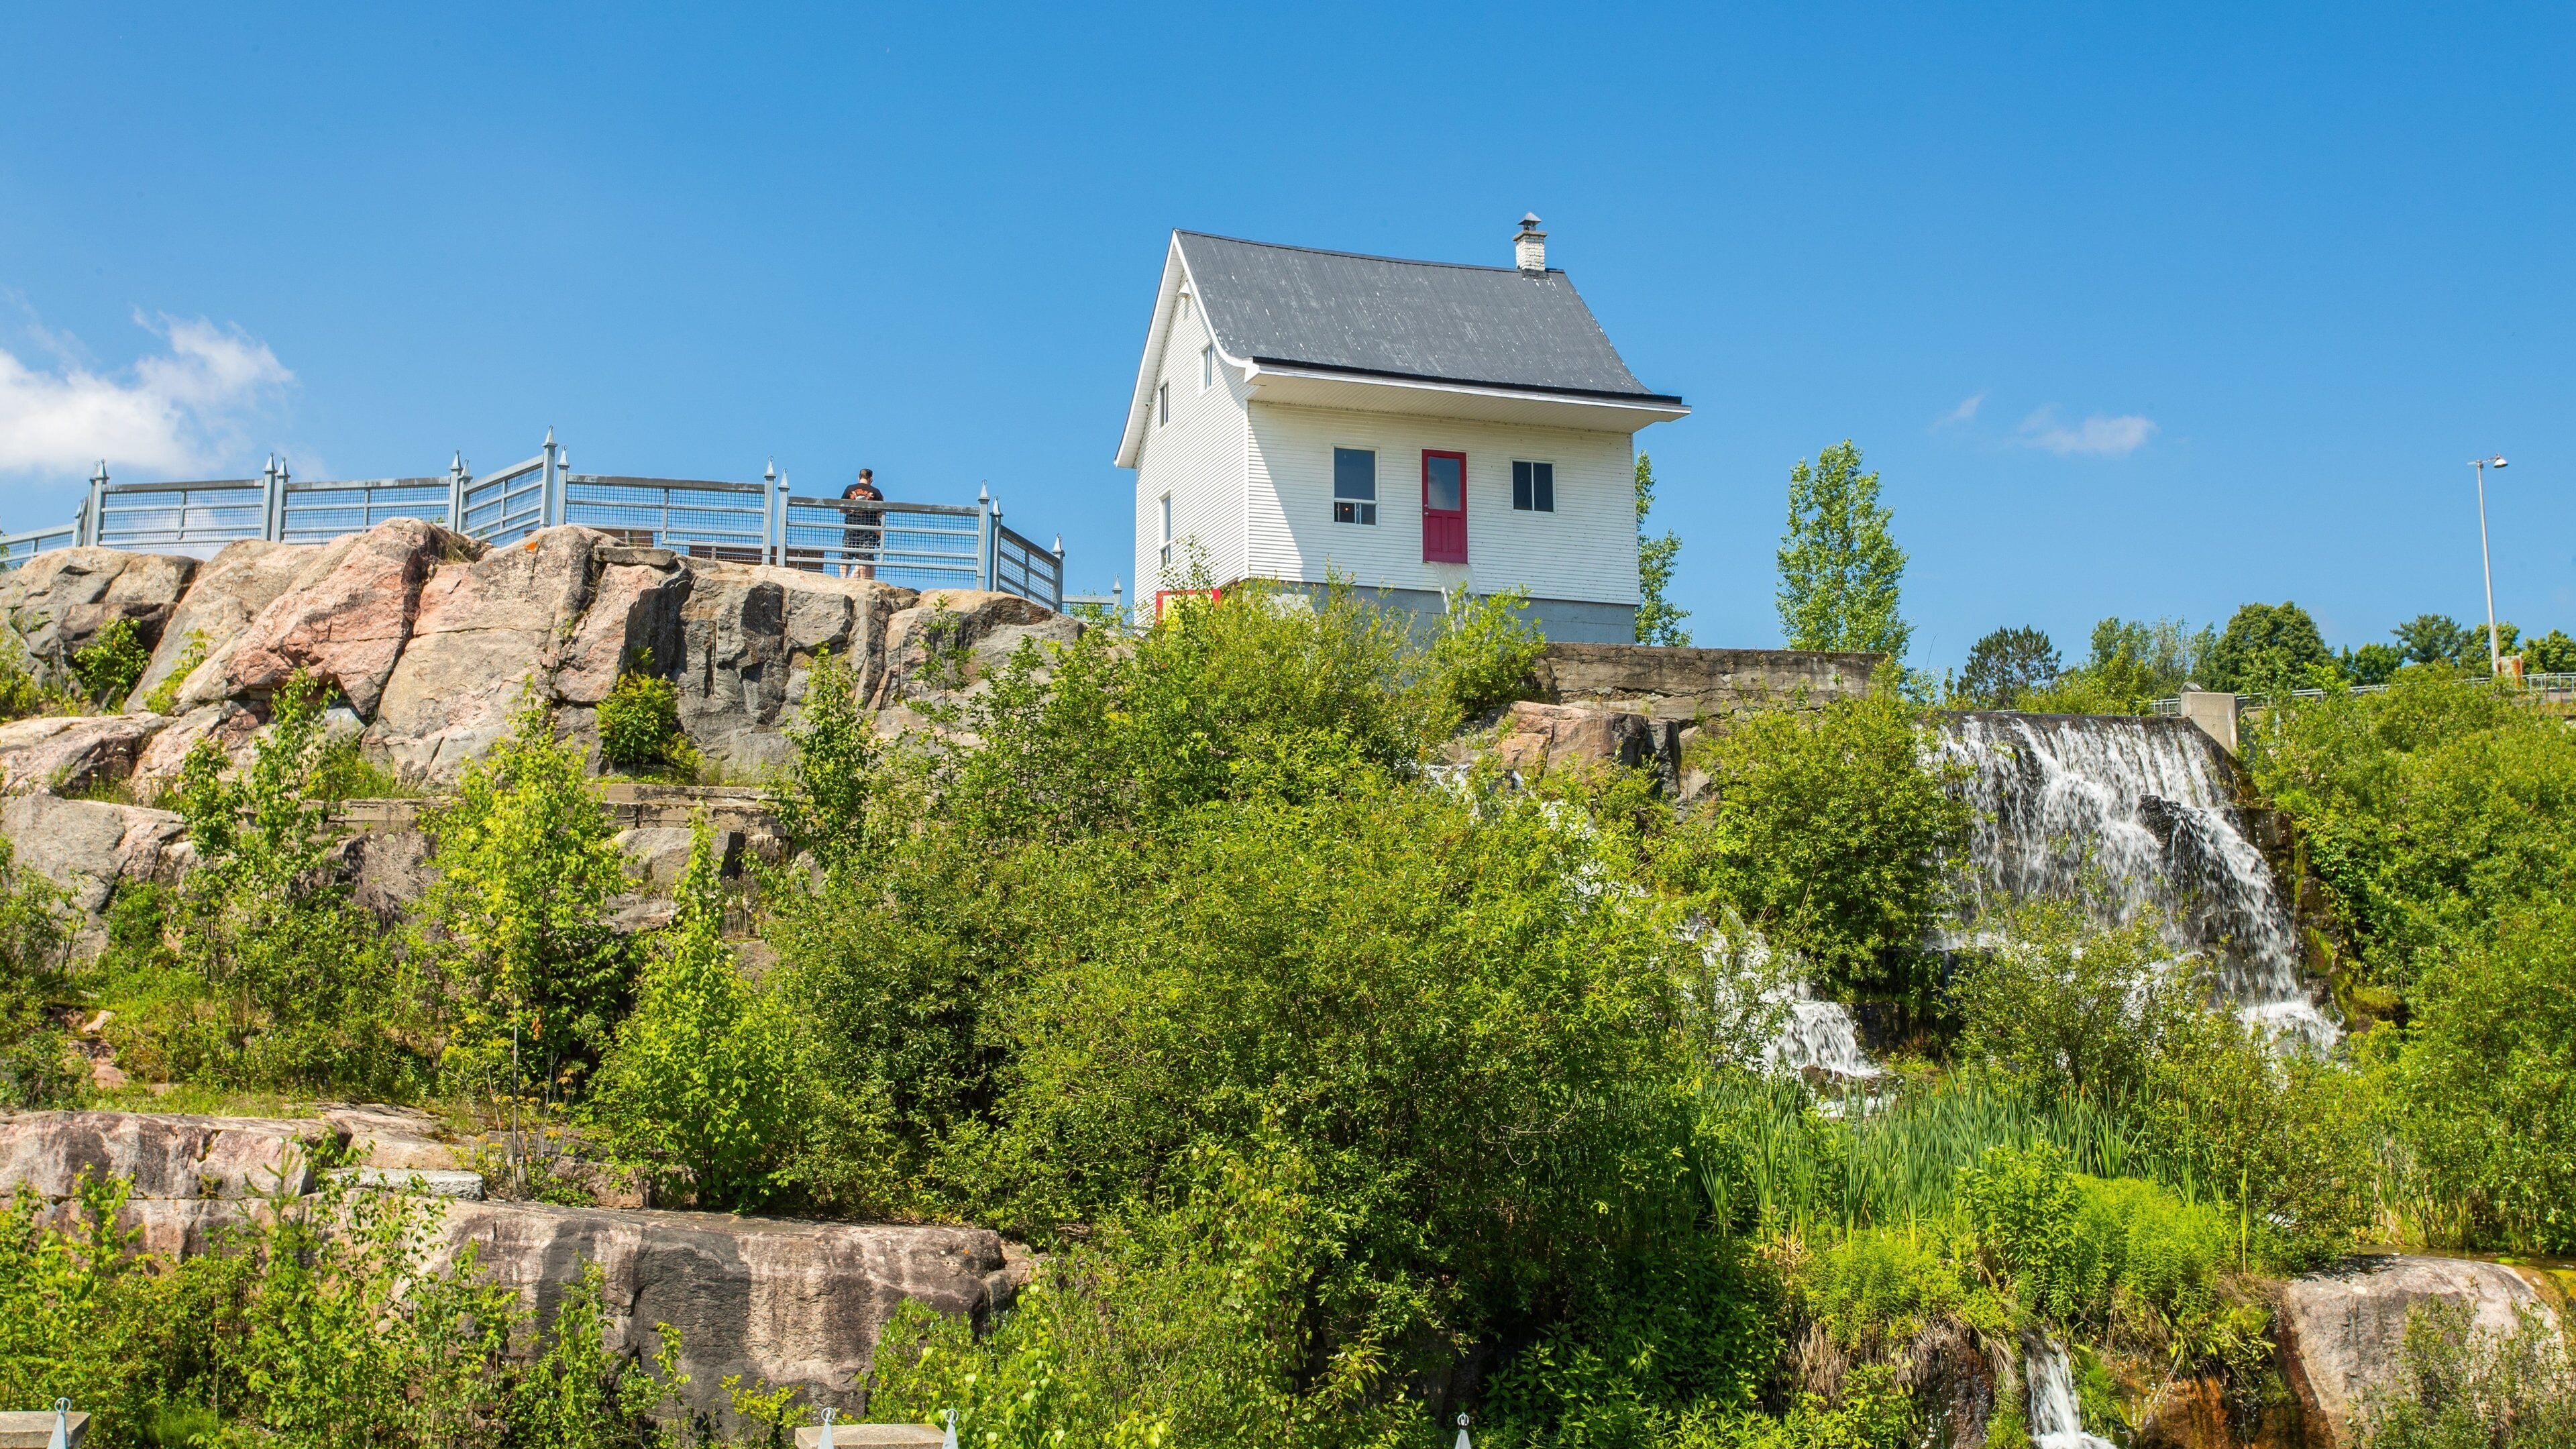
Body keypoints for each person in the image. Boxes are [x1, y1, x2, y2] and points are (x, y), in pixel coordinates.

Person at [840, 469, 884, 580]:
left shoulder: (849, 489)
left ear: (858, 477)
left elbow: (841, 509)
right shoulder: (876, 492)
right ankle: (864, 581)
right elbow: (881, 513)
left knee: (847, 552)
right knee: (865, 555)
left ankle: (843, 578)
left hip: (851, 526)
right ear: (871, 479)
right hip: (868, 528)